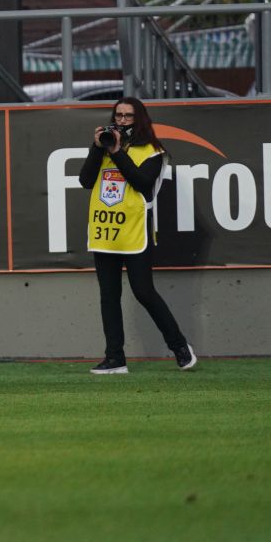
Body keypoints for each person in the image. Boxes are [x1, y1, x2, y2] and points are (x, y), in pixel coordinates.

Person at [78, 97, 197, 374]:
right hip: (105, 230)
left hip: (134, 230)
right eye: (118, 115)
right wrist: (98, 149)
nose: (121, 121)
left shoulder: (152, 151)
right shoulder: (105, 148)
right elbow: (85, 181)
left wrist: (118, 152)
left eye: (128, 116)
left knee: (144, 291)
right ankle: (115, 358)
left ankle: (180, 346)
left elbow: (142, 183)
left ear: (139, 119)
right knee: (109, 295)